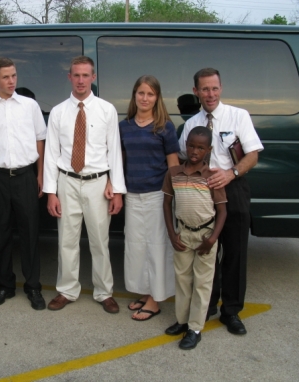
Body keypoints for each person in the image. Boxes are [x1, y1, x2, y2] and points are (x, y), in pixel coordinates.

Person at [178, 68, 264, 335]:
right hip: (201, 195)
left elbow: (253, 155)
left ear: (221, 88)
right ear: (196, 92)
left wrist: (231, 173)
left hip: (233, 188)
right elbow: (184, 155)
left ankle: (232, 311)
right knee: (207, 251)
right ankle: (207, 306)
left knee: (235, 251)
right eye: (204, 89)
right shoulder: (192, 124)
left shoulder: (238, 116)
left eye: (214, 88)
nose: (210, 94)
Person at [43, 55, 126, 314]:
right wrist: (51, 192)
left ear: (93, 77)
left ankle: (104, 292)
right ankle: (67, 290)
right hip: (67, 181)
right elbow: (50, 154)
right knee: (66, 240)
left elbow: (114, 151)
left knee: (100, 241)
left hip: (98, 183)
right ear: (70, 77)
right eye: (76, 75)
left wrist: (117, 189)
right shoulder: (58, 111)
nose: (81, 80)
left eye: (85, 75)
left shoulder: (106, 110)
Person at [0, 57, 47, 311]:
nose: (11, 81)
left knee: (29, 233)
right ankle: (5, 285)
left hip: (26, 176)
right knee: (1, 233)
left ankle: (33, 286)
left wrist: (40, 175)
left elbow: (40, 141)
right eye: (5, 77)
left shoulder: (29, 106)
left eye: (14, 75)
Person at [119, 75, 179, 321]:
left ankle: (155, 300)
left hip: (157, 195)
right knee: (136, 246)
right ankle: (145, 292)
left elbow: (173, 166)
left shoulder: (165, 126)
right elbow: (120, 161)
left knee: (157, 247)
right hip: (133, 194)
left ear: (157, 98)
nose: (145, 98)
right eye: (141, 93)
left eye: (150, 94)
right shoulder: (124, 127)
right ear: (135, 95)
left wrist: (171, 198)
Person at [163, 126, 227, 350]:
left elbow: (222, 211)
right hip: (183, 234)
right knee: (182, 280)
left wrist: (212, 239)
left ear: (208, 150)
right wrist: (172, 233)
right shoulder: (174, 173)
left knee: (202, 283)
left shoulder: (212, 177)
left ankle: (195, 328)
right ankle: (182, 321)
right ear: (186, 145)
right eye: (191, 145)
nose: (194, 151)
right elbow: (167, 204)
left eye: (200, 148)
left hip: (205, 236)